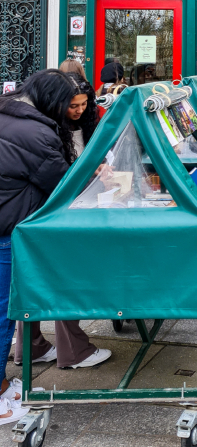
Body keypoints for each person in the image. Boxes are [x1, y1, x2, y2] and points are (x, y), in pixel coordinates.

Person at [13, 73, 112, 370]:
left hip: (35, 213)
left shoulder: (55, 125)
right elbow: (61, 180)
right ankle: (74, 350)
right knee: (64, 277)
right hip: (53, 212)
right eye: (73, 105)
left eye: (84, 104)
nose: (79, 110)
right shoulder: (46, 132)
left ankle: (30, 347)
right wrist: (93, 178)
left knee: (30, 279)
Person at [0, 70, 77, 423]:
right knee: (3, 312)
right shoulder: (37, 133)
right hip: (7, 228)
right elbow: (63, 187)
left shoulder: (7, 112)